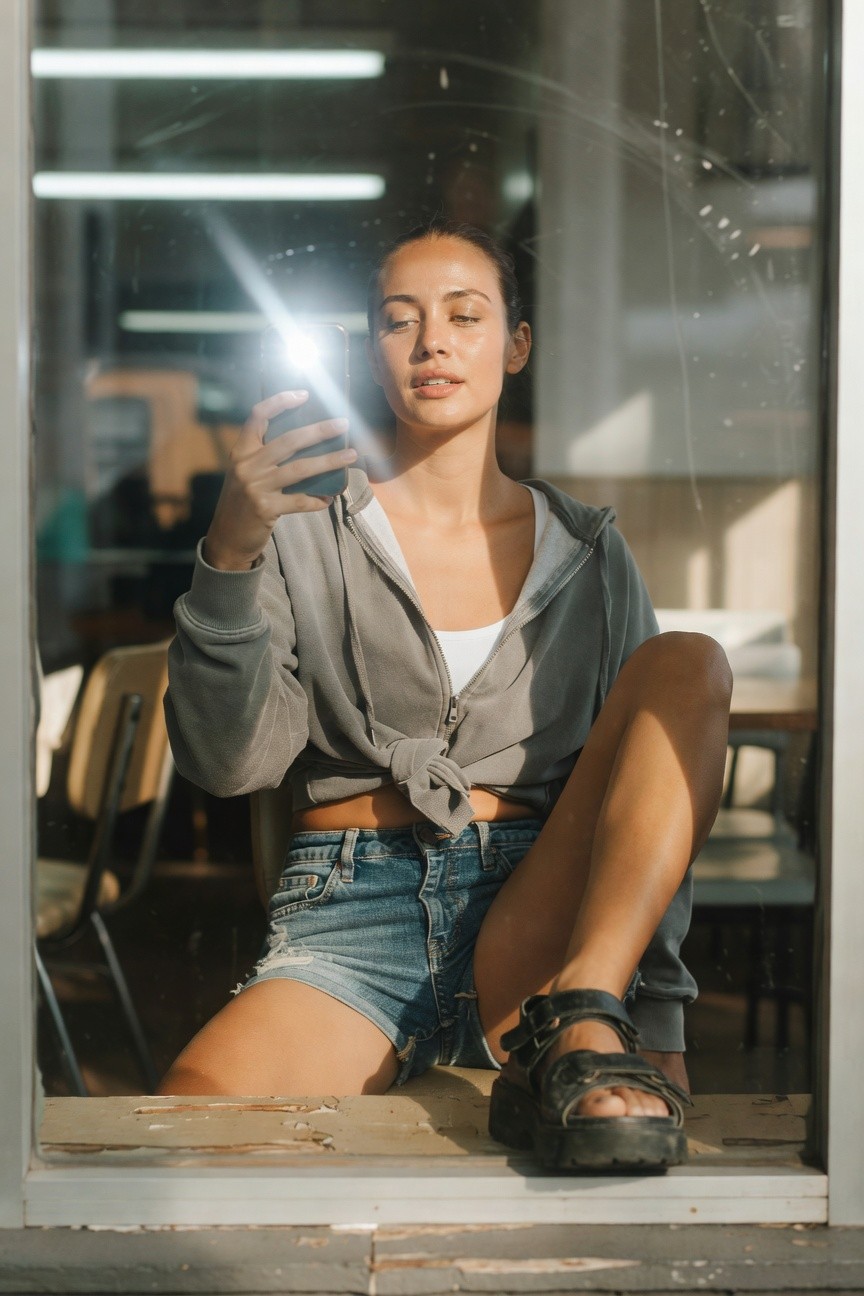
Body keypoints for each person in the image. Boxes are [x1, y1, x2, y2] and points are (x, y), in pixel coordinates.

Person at [160, 220, 732, 1173]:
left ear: (516, 345)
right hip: (355, 916)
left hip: (543, 918)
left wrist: (653, 1001)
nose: (431, 342)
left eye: (465, 315)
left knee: (689, 662)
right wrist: (227, 552)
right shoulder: (301, 528)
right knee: (184, 1133)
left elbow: (651, 797)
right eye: (399, 321)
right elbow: (230, 765)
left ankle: (584, 1012)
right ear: (371, 354)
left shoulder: (588, 551)